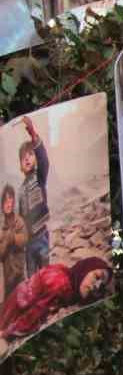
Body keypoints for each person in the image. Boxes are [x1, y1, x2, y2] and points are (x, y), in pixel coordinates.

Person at [0, 255, 112, 355]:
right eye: (97, 277)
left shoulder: (65, 272)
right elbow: (34, 314)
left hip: (14, 301)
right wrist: (6, 334)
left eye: (101, 286)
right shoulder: (61, 286)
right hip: (16, 312)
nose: (96, 286)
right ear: (86, 268)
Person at [17, 117, 49, 279]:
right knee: (31, 278)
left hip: (42, 235)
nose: (27, 158)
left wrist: (33, 134)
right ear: (20, 165)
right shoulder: (21, 190)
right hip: (29, 242)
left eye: (30, 154)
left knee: (45, 275)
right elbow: (20, 217)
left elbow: (44, 160)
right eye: (24, 158)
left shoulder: (40, 176)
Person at [0, 185, 23, 303]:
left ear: (13, 203)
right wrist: (6, 241)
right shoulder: (1, 226)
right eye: (5, 201)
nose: (8, 204)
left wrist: (12, 237)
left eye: (10, 201)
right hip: (7, 275)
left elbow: (24, 239)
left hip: (19, 273)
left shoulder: (19, 221)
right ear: (2, 205)